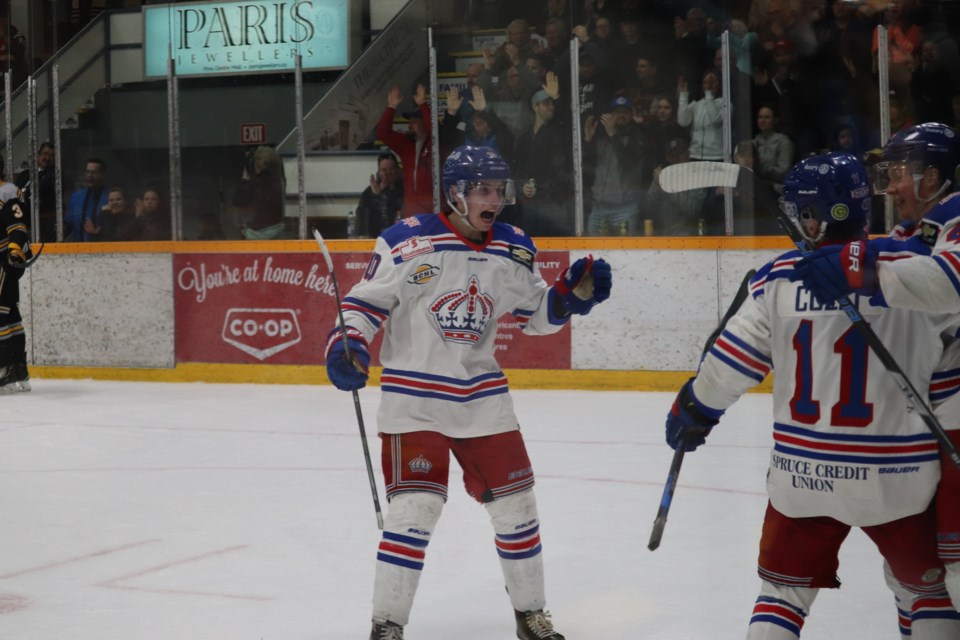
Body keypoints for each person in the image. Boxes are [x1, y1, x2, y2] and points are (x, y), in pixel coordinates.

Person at [666, 151, 960, 639]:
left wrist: (694, 408)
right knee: (924, 593)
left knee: (782, 595)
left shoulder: (777, 278)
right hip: (900, 476)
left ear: (813, 215)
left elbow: (727, 367)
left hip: (803, 473)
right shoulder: (913, 271)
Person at [324, 145, 612, 640]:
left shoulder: (514, 247)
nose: (494, 199)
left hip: (482, 398)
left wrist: (567, 298)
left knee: (518, 507)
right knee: (414, 511)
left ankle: (531, 617)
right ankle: (387, 625)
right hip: (414, 400)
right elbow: (363, 304)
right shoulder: (404, 241)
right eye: (482, 189)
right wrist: (346, 343)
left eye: (499, 189)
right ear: (454, 193)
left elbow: (534, 315)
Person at [788, 123, 960, 611]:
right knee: (934, 576)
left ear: (932, 177)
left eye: (900, 173)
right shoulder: (920, 228)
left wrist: (860, 270)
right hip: (939, 424)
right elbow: (899, 251)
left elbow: (948, 280)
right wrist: (849, 257)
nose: (890, 186)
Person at [376, 84, 435, 218]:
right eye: (409, 122)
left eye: (414, 122)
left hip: (433, 212)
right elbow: (382, 133)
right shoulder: (406, 144)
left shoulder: (434, 144)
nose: (409, 125)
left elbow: (434, 128)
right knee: (411, 238)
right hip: (411, 213)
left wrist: (422, 105)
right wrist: (391, 107)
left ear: (424, 123)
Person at [0, 182, 31, 392]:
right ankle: (18, 370)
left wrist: (15, 247)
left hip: (6, 257)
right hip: (6, 256)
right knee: (9, 313)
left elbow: (18, 225)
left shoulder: (6, 191)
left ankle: (3, 370)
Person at [233, 146, 287, 240]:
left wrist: (244, 179)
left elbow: (239, 201)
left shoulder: (259, 182)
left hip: (262, 230)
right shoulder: (280, 181)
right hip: (275, 227)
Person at [14, 142, 59, 242]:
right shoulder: (25, 174)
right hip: (21, 218)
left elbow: (45, 190)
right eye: (45, 154)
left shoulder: (55, 176)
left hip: (41, 222)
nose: (47, 158)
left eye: (51, 156)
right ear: (38, 155)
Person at [355, 153, 403, 238]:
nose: (388, 173)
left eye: (391, 169)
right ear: (379, 173)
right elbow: (362, 219)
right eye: (384, 170)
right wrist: (376, 196)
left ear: (398, 170)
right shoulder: (370, 192)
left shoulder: (405, 189)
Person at [65, 158, 108, 242]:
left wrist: (98, 233)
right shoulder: (76, 197)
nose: (89, 176)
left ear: (102, 175)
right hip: (79, 248)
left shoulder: (111, 198)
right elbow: (68, 224)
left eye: (94, 172)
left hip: (103, 248)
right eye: (87, 172)